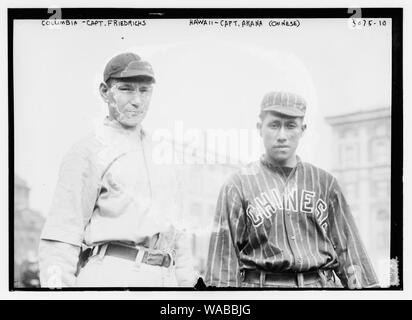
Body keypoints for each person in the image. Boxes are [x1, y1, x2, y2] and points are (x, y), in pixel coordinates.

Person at [38, 52, 197, 288]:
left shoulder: (163, 154)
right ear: (104, 91)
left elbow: (179, 239)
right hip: (112, 273)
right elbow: (62, 236)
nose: (137, 100)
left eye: (144, 90)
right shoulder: (87, 151)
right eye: (126, 89)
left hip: (166, 278)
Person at [205, 91, 379, 288]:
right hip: (261, 288)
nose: (282, 136)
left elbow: (349, 251)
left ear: (302, 130)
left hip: (319, 286)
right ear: (259, 128)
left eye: (290, 126)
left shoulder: (326, 183)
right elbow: (223, 265)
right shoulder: (237, 185)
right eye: (274, 125)